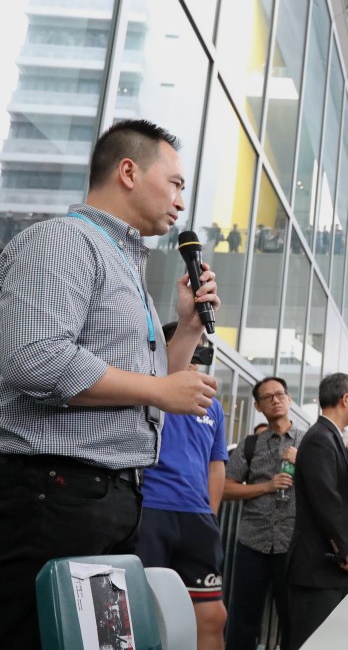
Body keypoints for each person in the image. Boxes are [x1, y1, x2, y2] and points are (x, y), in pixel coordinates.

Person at [0, 119, 219, 650]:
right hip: (54, 495)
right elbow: (33, 358)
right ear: (128, 172)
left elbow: (148, 386)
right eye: (175, 183)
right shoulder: (63, 241)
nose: (180, 201)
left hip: (107, 498)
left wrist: (188, 328)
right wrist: (158, 391)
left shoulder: (123, 263)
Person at [135, 324, 229, 650]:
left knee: (212, 616)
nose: (195, 358)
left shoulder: (213, 406)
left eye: (201, 351)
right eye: (190, 348)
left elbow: (216, 465)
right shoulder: (146, 390)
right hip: (149, 510)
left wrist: (210, 515)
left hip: (197, 518)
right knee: (142, 613)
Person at [286, 373, 348, 649]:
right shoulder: (320, 438)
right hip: (317, 566)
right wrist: (346, 549)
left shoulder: (330, 436)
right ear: (345, 398)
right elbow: (325, 499)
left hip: (327, 567)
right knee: (312, 641)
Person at [223, 377, 303, 650]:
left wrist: (302, 461)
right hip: (253, 542)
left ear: (289, 399)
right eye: (267, 397)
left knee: (293, 620)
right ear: (258, 406)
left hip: (293, 544)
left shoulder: (308, 441)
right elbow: (225, 488)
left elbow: (326, 485)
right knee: (243, 619)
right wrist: (266, 487)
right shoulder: (250, 444)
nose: (275, 400)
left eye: (280, 394)